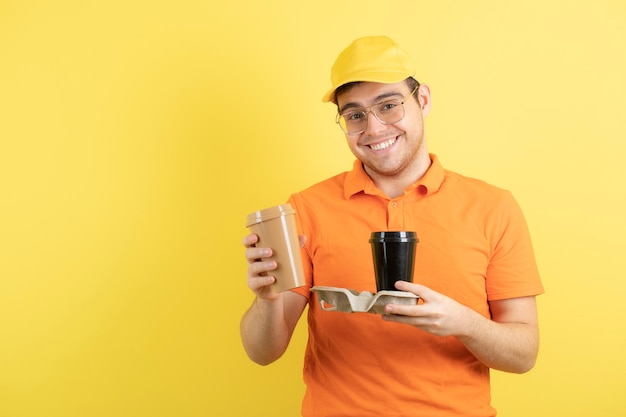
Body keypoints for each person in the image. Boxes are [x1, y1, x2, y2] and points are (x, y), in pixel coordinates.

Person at [240, 35, 544, 417]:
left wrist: (464, 323)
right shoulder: (306, 208)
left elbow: (523, 354)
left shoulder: (493, 207)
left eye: (389, 106)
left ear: (424, 101)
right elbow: (263, 352)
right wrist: (266, 299)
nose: (374, 128)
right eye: (354, 115)